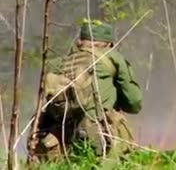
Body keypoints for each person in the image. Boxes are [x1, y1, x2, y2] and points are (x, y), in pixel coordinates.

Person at [29, 19, 143, 161]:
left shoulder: (59, 63)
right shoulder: (113, 58)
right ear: (108, 44)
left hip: (64, 141)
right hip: (102, 140)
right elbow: (134, 103)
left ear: (80, 41)